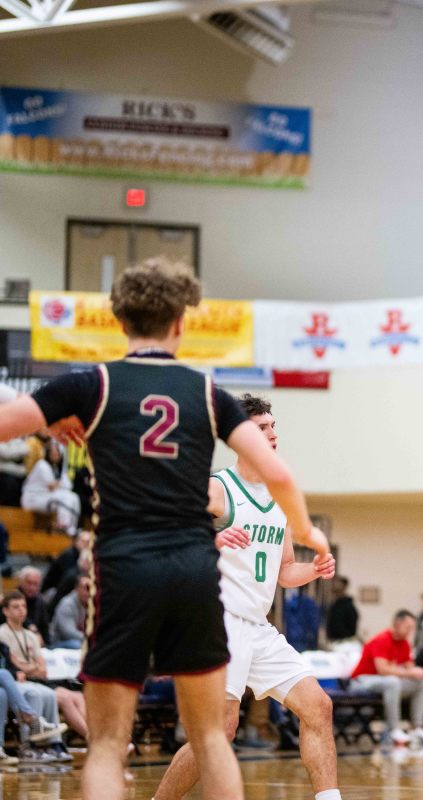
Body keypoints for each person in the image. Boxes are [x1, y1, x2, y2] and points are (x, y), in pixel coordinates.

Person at [0, 258, 326, 800]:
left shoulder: (90, 384)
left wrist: (52, 416)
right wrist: (309, 531)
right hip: (195, 572)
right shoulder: (206, 392)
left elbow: (10, 422)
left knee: (107, 745)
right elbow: (278, 473)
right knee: (212, 738)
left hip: (124, 565)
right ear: (180, 323)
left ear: (119, 320)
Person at [153, 393, 341, 800]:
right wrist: (213, 538)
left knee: (318, 707)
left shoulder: (280, 495)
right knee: (219, 732)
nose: (272, 435)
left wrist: (313, 570)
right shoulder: (218, 488)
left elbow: (283, 571)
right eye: (261, 429)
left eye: (273, 427)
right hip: (218, 623)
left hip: (258, 627)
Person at [0, 590, 74, 762]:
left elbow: (42, 670)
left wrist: (26, 669)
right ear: (5, 611)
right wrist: (26, 669)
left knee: (48, 694)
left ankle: (53, 744)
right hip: (15, 678)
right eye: (16, 606)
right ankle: (30, 741)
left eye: (24, 606)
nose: (21, 610)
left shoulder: (31, 635)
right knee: (30, 692)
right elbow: (12, 664)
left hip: (18, 679)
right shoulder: (2, 633)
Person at [349, 609, 423, 746]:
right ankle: (394, 729)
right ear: (397, 624)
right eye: (408, 627)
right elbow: (383, 669)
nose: (410, 631)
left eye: (412, 628)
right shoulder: (382, 639)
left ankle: (417, 728)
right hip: (362, 680)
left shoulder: (404, 643)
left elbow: (410, 668)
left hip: (386, 683)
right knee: (393, 682)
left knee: (422, 683)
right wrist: (411, 673)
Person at [0, 638, 69, 764]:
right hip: (9, 679)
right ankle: (31, 732)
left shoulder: (3, 645)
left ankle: (54, 744)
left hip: (8, 684)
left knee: (2, 694)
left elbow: (16, 667)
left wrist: (18, 671)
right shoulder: (5, 632)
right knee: (29, 692)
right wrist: (18, 672)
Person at [21, 438, 80, 535]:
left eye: (57, 451)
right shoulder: (42, 465)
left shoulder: (56, 468)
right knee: (64, 498)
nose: (55, 454)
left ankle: (72, 527)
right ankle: (63, 526)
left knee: (74, 497)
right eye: (52, 451)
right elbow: (52, 486)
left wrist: (62, 481)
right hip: (33, 498)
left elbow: (68, 486)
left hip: (46, 497)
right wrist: (62, 482)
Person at [50, 575, 88, 649]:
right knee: (78, 645)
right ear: (77, 588)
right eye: (85, 588)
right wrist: (90, 638)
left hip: (80, 639)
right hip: (59, 642)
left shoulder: (91, 604)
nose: (88, 592)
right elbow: (68, 632)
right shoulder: (67, 604)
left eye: (90, 588)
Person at [15, 566, 51, 637]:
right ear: (21, 582)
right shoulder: (12, 597)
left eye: (35, 584)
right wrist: (31, 627)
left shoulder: (40, 600)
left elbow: (45, 626)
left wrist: (48, 646)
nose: (32, 588)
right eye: (29, 583)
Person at [326, 576, 359, 642]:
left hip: (343, 642)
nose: (335, 587)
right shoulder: (334, 604)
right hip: (334, 641)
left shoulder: (348, 605)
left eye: (338, 585)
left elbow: (351, 626)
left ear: (344, 587)